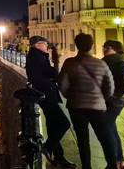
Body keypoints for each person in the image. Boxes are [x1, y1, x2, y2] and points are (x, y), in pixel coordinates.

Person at [58, 33, 117, 169]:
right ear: (91, 45)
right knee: (104, 137)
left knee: (82, 140)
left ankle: (86, 166)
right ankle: (112, 164)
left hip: (76, 106)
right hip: (97, 106)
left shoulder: (69, 63)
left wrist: (72, 97)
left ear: (77, 46)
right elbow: (110, 88)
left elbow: (62, 85)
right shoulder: (101, 64)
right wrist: (101, 98)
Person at [26, 36, 75, 168]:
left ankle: (59, 158)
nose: (47, 44)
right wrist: (57, 61)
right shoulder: (38, 58)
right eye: (44, 43)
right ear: (37, 45)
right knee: (64, 123)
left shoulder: (38, 56)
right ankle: (47, 148)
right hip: (46, 95)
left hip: (45, 94)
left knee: (53, 126)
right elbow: (52, 74)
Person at [102, 40, 124, 169]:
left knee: (107, 129)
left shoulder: (120, 63)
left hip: (115, 102)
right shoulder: (104, 62)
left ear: (114, 49)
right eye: (104, 47)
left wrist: (112, 95)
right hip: (106, 102)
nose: (104, 49)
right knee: (111, 130)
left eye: (106, 47)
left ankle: (114, 162)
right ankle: (120, 161)